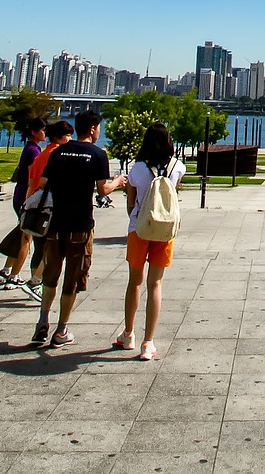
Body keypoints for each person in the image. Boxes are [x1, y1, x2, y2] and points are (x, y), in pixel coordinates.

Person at [27, 114, 123, 348]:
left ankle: (42, 321)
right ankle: (61, 330)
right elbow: (102, 190)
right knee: (72, 278)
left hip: (54, 223)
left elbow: (42, 183)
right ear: (92, 129)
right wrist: (118, 182)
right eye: (99, 127)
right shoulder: (98, 155)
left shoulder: (59, 152)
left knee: (51, 273)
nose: (99, 131)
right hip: (80, 224)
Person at [117, 121, 183, 362]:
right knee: (155, 284)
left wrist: (135, 218)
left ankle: (128, 334)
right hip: (164, 231)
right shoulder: (178, 167)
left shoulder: (137, 169)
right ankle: (149, 343)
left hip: (139, 229)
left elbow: (130, 200)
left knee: (135, 281)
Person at [0, 120, 46, 288]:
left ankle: (7, 268)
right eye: (42, 130)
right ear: (34, 132)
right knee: (27, 237)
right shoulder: (34, 151)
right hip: (26, 198)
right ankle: (14, 275)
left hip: (20, 196)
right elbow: (33, 177)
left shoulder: (31, 148)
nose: (44, 133)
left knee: (21, 233)